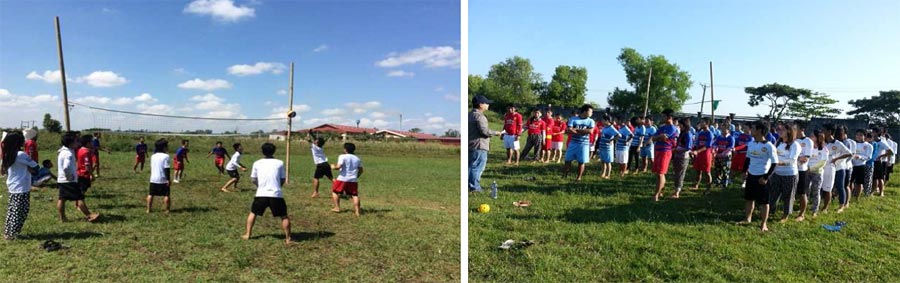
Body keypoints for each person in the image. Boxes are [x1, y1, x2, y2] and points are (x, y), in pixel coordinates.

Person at [242, 142, 293, 245]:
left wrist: (259, 186)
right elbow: (282, 179)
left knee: (253, 213)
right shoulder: (279, 163)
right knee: (284, 216)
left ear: (262, 151)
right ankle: (288, 238)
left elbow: (253, 179)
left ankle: (248, 234)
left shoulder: (257, 163)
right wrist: (277, 186)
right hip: (276, 194)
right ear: (274, 151)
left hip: (261, 194)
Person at [737, 121, 778, 231]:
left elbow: (774, 163)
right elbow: (748, 159)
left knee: (764, 202)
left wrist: (765, 177)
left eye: (753, 128)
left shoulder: (769, 146)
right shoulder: (751, 143)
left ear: (759, 130)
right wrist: (744, 171)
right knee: (749, 199)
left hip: (762, 177)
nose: (751, 130)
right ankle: (747, 218)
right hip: (751, 175)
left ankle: (763, 224)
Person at [3, 132, 39, 240]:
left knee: (12, 209)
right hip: (21, 186)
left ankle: (8, 232)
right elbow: (36, 167)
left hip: (13, 185)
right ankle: (12, 234)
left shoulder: (8, 153)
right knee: (20, 211)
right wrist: (30, 168)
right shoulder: (21, 154)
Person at [56, 132, 100, 222]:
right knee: (80, 198)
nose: (79, 143)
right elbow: (66, 167)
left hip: (61, 180)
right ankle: (89, 215)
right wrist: (69, 177)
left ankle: (62, 218)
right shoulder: (68, 154)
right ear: (71, 143)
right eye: (77, 141)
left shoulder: (63, 151)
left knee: (62, 199)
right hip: (69, 180)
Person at [768, 123, 800, 223]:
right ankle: (770, 210)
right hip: (777, 173)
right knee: (773, 193)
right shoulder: (778, 142)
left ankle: (785, 215)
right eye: (779, 129)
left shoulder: (795, 145)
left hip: (790, 174)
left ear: (789, 131)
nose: (780, 131)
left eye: (783, 130)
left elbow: (792, 160)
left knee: (788, 195)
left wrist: (777, 163)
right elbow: (772, 154)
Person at [468, 95, 500, 192]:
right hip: (479, 145)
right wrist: (496, 133)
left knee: (470, 166)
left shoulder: (469, 115)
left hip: (470, 144)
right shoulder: (480, 116)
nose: (488, 105)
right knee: (477, 167)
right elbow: (484, 131)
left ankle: (468, 185)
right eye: (486, 103)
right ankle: (475, 187)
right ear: (480, 105)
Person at [820, 124, 852, 214]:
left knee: (840, 187)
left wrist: (837, 159)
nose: (822, 132)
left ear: (829, 132)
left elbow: (849, 154)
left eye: (824, 130)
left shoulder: (838, 143)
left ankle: (841, 206)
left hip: (839, 168)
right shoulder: (823, 142)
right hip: (825, 169)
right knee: (826, 188)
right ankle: (824, 205)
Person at [561, 104, 596, 182]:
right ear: (585, 111)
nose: (592, 113)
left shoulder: (591, 121)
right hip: (573, 143)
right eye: (591, 111)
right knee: (567, 160)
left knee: (581, 161)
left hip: (584, 145)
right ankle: (565, 175)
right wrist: (583, 131)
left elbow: (590, 131)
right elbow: (569, 130)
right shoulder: (573, 119)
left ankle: (578, 178)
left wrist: (576, 130)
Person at [799, 130, 828, 221]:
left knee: (816, 191)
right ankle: (803, 208)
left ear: (818, 137)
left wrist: (810, 169)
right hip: (807, 171)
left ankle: (815, 210)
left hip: (817, 173)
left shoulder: (824, 148)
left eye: (812, 136)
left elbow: (823, 162)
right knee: (805, 191)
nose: (810, 137)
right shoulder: (810, 148)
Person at [651, 110, 678, 201]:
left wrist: (659, 137)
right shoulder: (662, 127)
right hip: (658, 151)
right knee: (658, 173)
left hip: (665, 152)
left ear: (669, 117)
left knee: (660, 173)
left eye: (664, 116)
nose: (662, 118)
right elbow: (654, 137)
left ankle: (656, 194)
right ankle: (661, 191)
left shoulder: (672, 128)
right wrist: (659, 137)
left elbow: (664, 137)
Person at [331, 143, 364, 216]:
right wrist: (356, 176)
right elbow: (361, 170)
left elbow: (338, 167)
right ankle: (357, 211)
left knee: (335, 192)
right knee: (354, 195)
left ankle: (337, 208)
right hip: (353, 180)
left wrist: (333, 167)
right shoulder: (357, 158)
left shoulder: (342, 156)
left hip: (342, 178)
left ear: (345, 149)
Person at [794, 121, 814, 220]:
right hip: (792, 170)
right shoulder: (793, 140)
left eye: (795, 127)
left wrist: (792, 158)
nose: (793, 129)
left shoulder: (808, 141)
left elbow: (805, 159)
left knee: (802, 193)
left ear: (802, 129)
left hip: (802, 170)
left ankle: (802, 214)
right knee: (792, 192)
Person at [671, 118, 694, 199]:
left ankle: (677, 192)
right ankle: (676, 188)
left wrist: (677, 149)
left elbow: (688, 147)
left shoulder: (688, 134)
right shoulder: (682, 133)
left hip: (683, 157)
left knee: (680, 174)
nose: (679, 126)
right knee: (676, 173)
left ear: (684, 125)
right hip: (677, 156)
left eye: (680, 125)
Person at [148, 138, 172, 213]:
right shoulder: (166, 156)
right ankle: (167, 209)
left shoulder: (153, 156)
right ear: (164, 147)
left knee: (151, 194)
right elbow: (166, 168)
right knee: (166, 195)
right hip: (163, 179)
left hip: (153, 178)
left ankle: (148, 209)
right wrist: (168, 179)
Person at [307, 131, 333, 198]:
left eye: (316, 141)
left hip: (321, 165)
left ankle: (316, 192)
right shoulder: (320, 147)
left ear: (317, 143)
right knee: (331, 178)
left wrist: (308, 133)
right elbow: (315, 139)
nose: (315, 141)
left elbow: (308, 140)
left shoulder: (314, 147)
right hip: (326, 164)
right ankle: (342, 190)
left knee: (316, 178)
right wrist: (311, 133)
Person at [691, 119, 714, 192]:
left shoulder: (710, 134)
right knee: (698, 170)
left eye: (702, 122)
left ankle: (708, 188)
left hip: (706, 155)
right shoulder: (700, 133)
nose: (700, 124)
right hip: (699, 154)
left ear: (707, 124)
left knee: (707, 172)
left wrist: (697, 151)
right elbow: (697, 144)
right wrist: (695, 152)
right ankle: (696, 185)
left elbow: (707, 146)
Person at [849, 129, 872, 202]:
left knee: (859, 183)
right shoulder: (853, 143)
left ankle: (857, 198)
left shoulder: (868, 146)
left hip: (861, 165)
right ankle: (849, 196)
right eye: (857, 135)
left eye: (860, 135)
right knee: (850, 181)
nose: (858, 136)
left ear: (864, 136)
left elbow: (869, 157)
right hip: (851, 165)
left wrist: (860, 157)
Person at [836, 126, 855, 211]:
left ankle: (846, 202)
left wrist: (842, 162)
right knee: (840, 185)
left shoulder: (848, 142)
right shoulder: (839, 141)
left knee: (846, 185)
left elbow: (850, 155)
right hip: (838, 166)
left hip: (847, 166)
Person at [872, 128, 895, 197]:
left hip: (880, 162)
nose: (872, 133)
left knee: (880, 178)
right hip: (873, 162)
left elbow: (891, 152)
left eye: (873, 132)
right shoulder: (872, 142)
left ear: (877, 133)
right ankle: (872, 192)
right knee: (874, 178)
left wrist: (881, 156)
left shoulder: (882, 142)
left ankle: (881, 192)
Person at [732, 122, 754, 188]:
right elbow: (737, 143)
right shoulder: (741, 135)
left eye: (746, 127)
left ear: (750, 129)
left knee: (744, 169)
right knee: (733, 167)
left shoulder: (751, 138)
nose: (744, 129)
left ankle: (743, 182)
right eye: (744, 127)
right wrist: (735, 149)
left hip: (745, 155)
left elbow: (744, 145)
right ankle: (730, 179)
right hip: (738, 154)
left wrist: (735, 149)